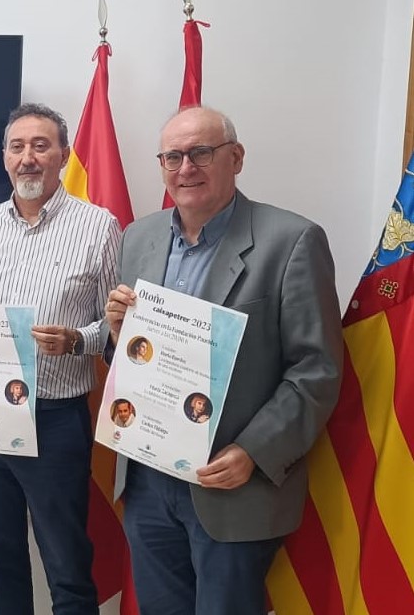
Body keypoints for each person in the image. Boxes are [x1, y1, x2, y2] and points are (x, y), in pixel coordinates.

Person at [103, 106, 343, 615]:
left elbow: (316, 370)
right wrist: (119, 334)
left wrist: (254, 451)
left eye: (201, 153)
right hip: (148, 480)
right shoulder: (138, 238)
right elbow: (128, 355)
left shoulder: (292, 241)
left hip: (232, 484)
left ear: (236, 158)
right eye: (173, 157)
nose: (186, 167)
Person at [0, 102, 120, 615]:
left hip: (54, 421)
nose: (27, 157)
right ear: (5, 157)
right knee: (2, 562)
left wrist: (75, 340)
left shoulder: (100, 226)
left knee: (67, 566)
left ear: (63, 155)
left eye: (40, 146)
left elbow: (119, 327)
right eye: (17, 147)